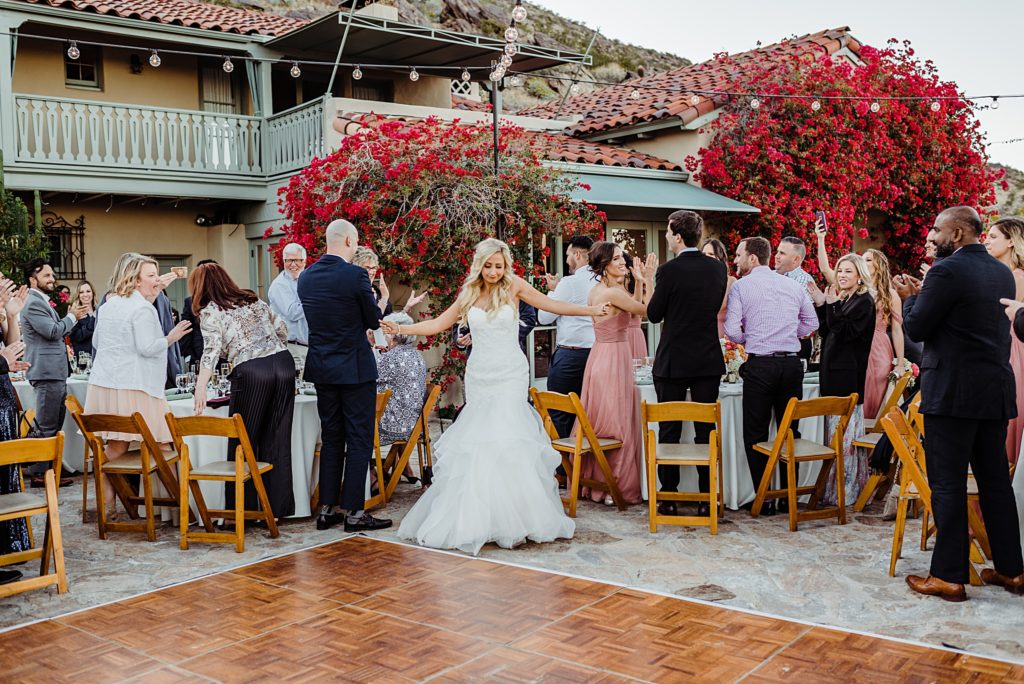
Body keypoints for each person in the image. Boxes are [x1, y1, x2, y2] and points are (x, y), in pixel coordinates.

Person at [381, 237, 608, 554]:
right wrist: (401, 329)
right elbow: (437, 323)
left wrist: (588, 309)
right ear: (480, 265)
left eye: (498, 266)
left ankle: (517, 518)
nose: (493, 271)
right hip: (480, 374)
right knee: (479, 439)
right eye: (488, 266)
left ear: (506, 266)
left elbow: (550, 304)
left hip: (510, 373)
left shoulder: (514, 285)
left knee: (508, 437)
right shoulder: (469, 292)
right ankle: (478, 518)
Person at [897, 206, 1023, 601]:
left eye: (936, 229)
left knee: (947, 485)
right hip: (993, 391)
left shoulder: (946, 271)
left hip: (952, 394)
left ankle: (948, 576)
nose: (932, 236)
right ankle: (1011, 570)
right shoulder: (1000, 271)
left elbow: (917, 329)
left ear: (956, 233)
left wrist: (910, 299)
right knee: (995, 484)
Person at [298, 220, 392, 533]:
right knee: (360, 437)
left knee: (332, 437)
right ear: (350, 241)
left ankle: (326, 509)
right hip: (353, 367)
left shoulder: (306, 276)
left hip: (322, 366)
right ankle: (353, 511)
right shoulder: (355, 275)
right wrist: (377, 302)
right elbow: (373, 320)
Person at [86, 254, 191, 519]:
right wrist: (171, 337)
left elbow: (97, 342)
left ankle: (107, 503)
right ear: (135, 279)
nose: (157, 280)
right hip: (137, 387)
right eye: (152, 276)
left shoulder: (109, 305)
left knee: (117, 445)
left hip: (106, 384)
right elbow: (147, 347)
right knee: (165, 443)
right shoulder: (142, 309)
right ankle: (180, 508)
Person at [191, 263, 296, 518]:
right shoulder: (252, 299)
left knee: (242, 440)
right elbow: (282, 328)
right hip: (283, 363)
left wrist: (200, 387)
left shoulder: (210, 311)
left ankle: (242, 512)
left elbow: (212, 351)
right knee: (278, 438)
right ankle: (277, 509)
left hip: (251, 371)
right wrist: (272, 351)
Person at [725, 237, 819, 516]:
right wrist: (790, 333)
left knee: (755, 432)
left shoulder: (742, 286)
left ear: (753, 259)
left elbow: (731, 330)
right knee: (790, 431)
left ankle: (764, 497)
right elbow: (812, 323)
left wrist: (750, 337)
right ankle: (788, 495)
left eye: (740, 255)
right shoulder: (793, 285)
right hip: (791, 366)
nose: (736, 260)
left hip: (761, 365)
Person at [649, 211, 727, 516]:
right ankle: (708, 499)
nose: (667, 237)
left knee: (669, 428)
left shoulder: (669, 271)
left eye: (669, 233)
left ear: (678, 236)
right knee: (705, 430)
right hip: (708, 358)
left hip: (674, 359)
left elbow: (654, 314)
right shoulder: (718, 270)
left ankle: (668, 497)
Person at [578, 242, 657, 506]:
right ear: (604, 266)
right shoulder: (612, 292)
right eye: (617, 259)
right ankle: (616, 485)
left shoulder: (598, 290)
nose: (623, 262)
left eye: (623, 257)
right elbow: (647, 311)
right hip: (614, 359)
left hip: (600, 356)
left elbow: (631, 310)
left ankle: (597, 482)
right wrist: (647, 280)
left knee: (604, 416)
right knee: (617, 420)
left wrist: (635, 285)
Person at [807, 254, 875, 505]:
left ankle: (845, 493)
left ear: (860, 276)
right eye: (840, 271)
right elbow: (827, 331)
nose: (842, 275)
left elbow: (846, 332)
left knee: (844, 438)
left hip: (847, 378)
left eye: (848, 271)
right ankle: (832, 489)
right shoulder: (845, 300)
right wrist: (821, 304)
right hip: (832, 374)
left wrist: (832, 305)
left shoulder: (864, 302)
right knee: (833, 435)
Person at [20, 258, 85, 487]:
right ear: (32, 279)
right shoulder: (33, 303)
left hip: (53, 371)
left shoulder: (42, 301)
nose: (52, 279)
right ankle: (39, 473)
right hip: (46, 372)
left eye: (52, 275)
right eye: (47, 276)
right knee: (46, 424)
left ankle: (50, 468)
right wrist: (72, 317)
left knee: (54, 422)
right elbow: (52, 332)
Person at [538, 235, 597, 437]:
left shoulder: (569, 282)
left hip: (570, 358)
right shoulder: (601, 280)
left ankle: (564, 466)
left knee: (560, 411)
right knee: (589, 411)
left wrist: (553, 292)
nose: (566, 260)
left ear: (578, 255)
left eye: (568, 255)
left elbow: (544, 317)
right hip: (598, 354)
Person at [985, 217, 1024, 466]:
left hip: (1013, 348)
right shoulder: (998, 274)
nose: (986, 241)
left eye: (993, 236)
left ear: (1011, 241)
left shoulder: (1018, 277)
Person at [0, 275, 30, 585]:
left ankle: (10, 545)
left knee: (7, 475)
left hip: (4, 398)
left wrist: (11, 315)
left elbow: (13, 347)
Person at [862, 249, 905, 421]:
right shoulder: (857, 290)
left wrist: (900, 363)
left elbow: (896, 330)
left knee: (877, 390)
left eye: (868, 260)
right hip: (857, 344)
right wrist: (821, 239)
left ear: (878, 266)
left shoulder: (890, 294)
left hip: (879, 346)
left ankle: (875, 441)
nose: (863, 263)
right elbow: (828, 271)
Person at [376, 312, 427, 445]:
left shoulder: (388, 358)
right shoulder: (417, 356)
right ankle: (401, 465)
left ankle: (365, 464)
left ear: (392, 336)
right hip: (415, 425)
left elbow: (370, 382)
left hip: (392, 427)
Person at [351, 246, 427, 318]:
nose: (371, 272)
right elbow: (372, 322)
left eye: (374, 268)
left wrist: (406, 308)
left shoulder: (376, 291)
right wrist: (383, 297)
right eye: (367, 268)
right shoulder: (351, 292)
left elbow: (386, 321)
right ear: (356, 269)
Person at [267, 243, 309, 362]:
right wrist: (316, 301)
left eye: (297, 260)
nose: (293, 264)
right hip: (293, 348)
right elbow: (293, 312)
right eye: (288, 260)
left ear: (304, 262)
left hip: (308, 348)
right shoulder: (280, 285)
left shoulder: (306, 280)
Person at [775, 236, 815, 361]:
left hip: (795, 345)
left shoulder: (803, 281)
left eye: (782, 253)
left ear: (796, 259)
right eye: (777, 251)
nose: (776, 256)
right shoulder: (770, 276)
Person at [181, 259, 218, 366]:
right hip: (199, 355)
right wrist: (188, 355)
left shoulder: (228, 301)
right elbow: (186, 328)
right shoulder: (190, 302)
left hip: (224, 357)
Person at [701, 238, 735, 338]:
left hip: (723, 341)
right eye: (703, 254)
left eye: (711, 254)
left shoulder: (731, 283)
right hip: (699, 340)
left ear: (720, 258)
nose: (706, 257)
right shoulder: (695, 282)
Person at [622, 253, 648, 360]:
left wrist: (645, 280)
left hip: (636, 336)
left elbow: (652, 308)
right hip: (620, 337)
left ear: (629, 269)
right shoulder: (612, 290)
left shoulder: (639, 288)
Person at [68, 280, 97, 359]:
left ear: (93, 293)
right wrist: (93, 318)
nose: (85, 295)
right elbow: (77, 336)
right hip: (83, 358)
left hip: (99, 356)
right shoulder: (74, 313)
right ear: (78, 295)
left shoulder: (99, 311)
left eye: (88, 291)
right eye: (81, 292)